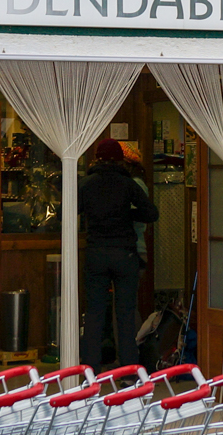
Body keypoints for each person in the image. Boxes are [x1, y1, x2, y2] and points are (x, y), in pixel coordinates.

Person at [79, 137, 158, 369]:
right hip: (124, 254)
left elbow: (67, 213)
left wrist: (93, 216)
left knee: (94, 312)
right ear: (119, 159)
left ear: (97, 158)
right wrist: (127, 214)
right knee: (124, 313)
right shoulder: (128, 184)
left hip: (96, 253)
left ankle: (90, 369)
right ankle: (129, 371)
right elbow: (151, 213)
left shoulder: (87, 183)